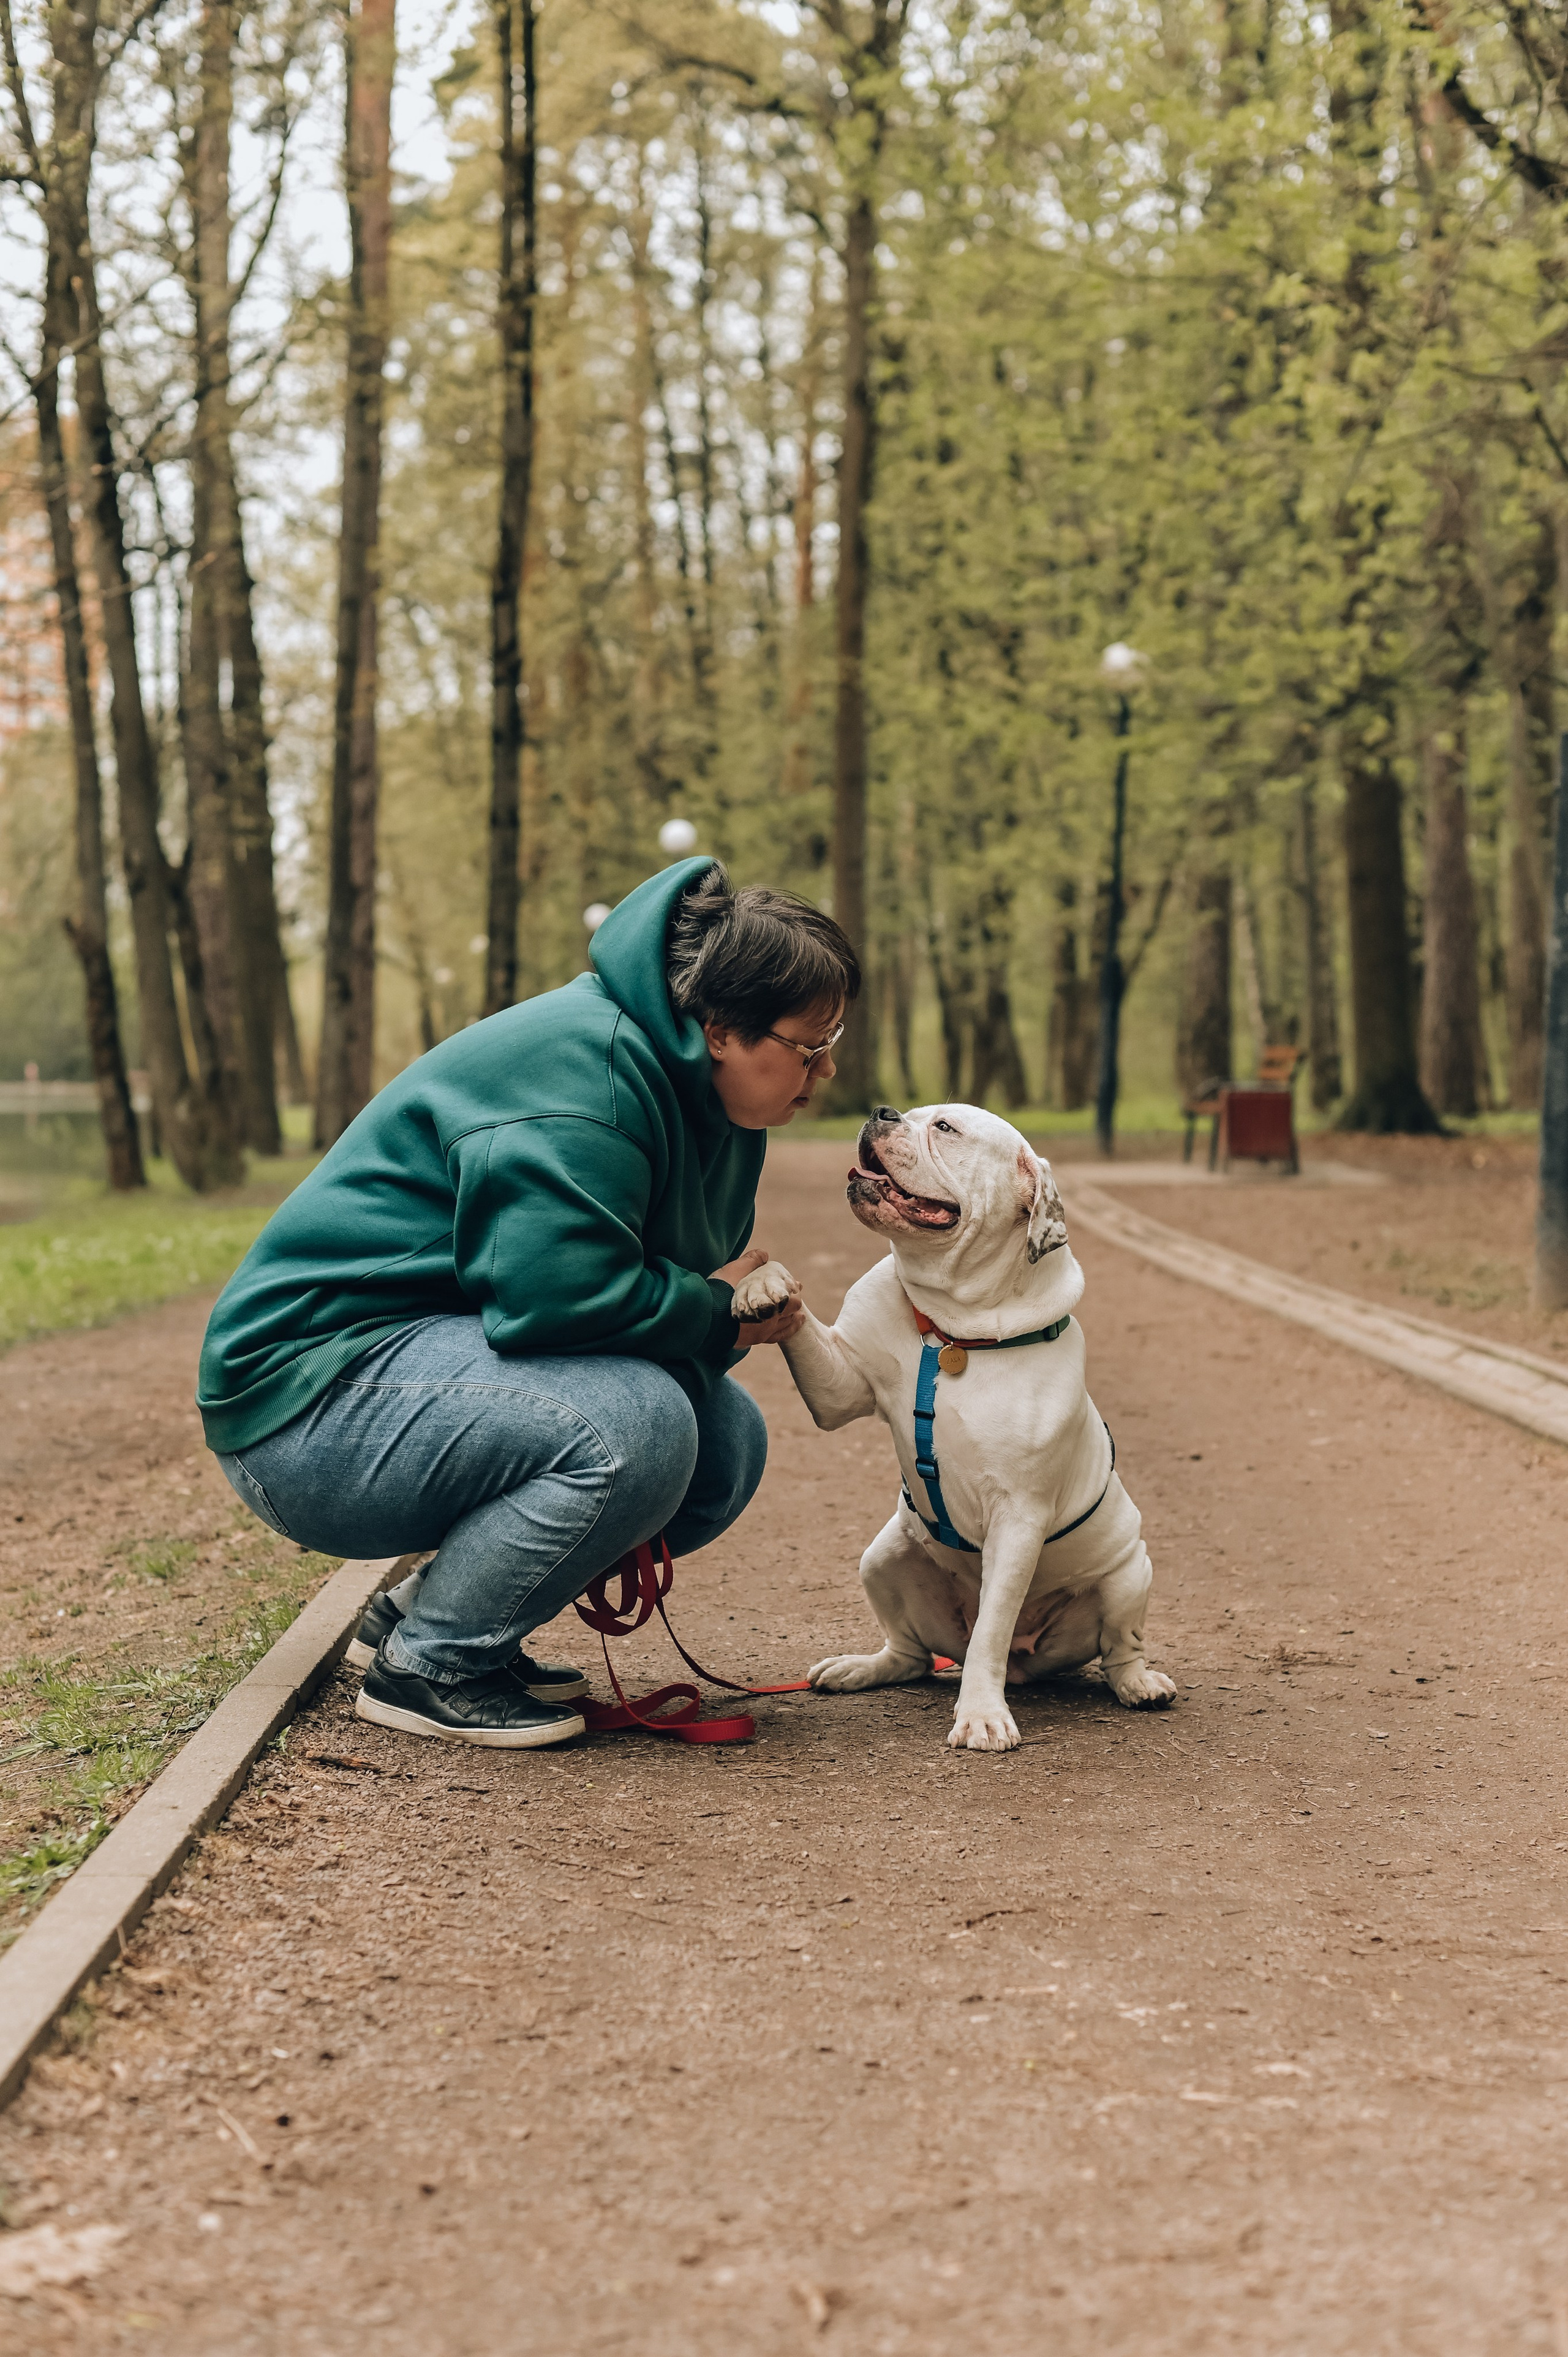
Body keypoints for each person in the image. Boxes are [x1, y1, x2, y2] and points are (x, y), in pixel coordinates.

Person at [197, 857, 856, 1749]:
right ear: (718, 1029)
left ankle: (420, 1616)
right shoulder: (588, 1076)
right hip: (306, 1409)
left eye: (833, 1042)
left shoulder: (711, 1100)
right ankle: (432, 1668)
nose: (826, 1069)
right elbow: (559, 1299)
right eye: (809, 1046)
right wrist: (713, 1310)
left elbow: (651, 1290)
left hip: (415, 1365)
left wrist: (716, 1312)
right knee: (639, 1428)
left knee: (724, 1442)